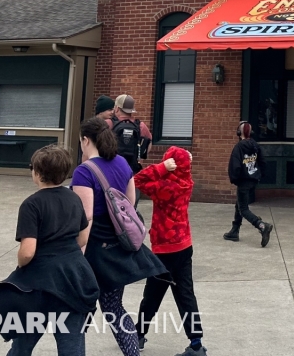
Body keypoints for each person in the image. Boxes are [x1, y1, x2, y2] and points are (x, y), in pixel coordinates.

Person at [0, 145, 99, 355]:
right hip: (74, 279)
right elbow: (83, 237)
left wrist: (21, 263)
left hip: (38, 284)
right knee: (71, 345)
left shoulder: (32, 205)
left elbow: (28, 251)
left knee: (23, 344)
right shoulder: (73, 198)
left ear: (37, 173)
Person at [72, 118, 167, 356]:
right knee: (114, 307)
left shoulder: (84, 172)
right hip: (119, 247)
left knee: (80, 308)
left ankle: (71, 350)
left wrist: (77, 254)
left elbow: (86, 217)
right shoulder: (123, 163)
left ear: (86, 140)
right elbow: (130, 203)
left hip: (94, 249)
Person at [134, 146, 207, 355]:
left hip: (165, 248)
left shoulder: (166, 186)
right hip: (184, 245)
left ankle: (138, 334)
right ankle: (196, 343)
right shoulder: (186, 182)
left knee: (152, 296)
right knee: (186, 295)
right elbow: (184, 166)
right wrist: (184, 160)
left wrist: (161, 167)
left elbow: (138, 180)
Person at [223, 121, 274, 247]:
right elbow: (263, 162)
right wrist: (259, 175)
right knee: (239, 204)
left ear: (239, 133)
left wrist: (235, 179)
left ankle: (262, 226)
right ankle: (234, 231)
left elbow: (235, 166)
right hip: (253, 180)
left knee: (244, 209)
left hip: (244, 180)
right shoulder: (255, 145)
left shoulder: (239, 147)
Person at [107, 94, 152, 174]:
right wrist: (139, 156)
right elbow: (149, 143)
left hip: (111, 169)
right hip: (131, 170)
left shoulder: (109, 123)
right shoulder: (140, 126)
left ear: (117, 108)